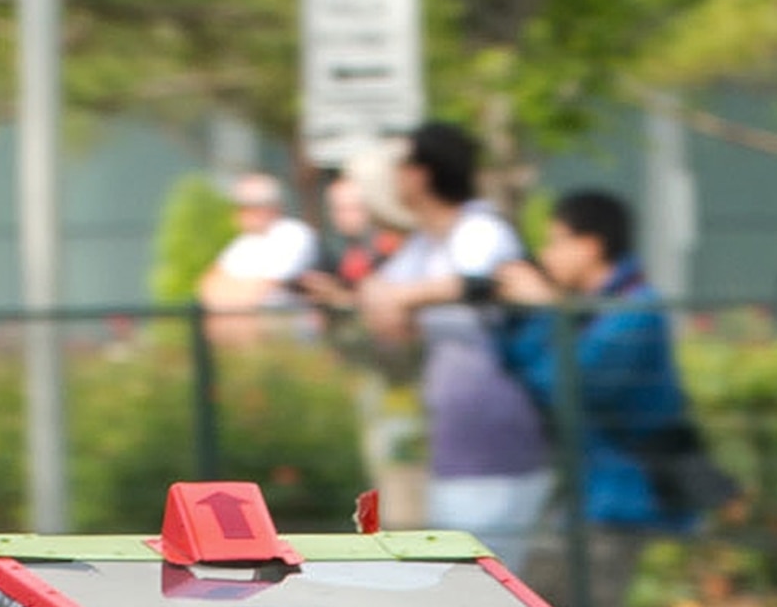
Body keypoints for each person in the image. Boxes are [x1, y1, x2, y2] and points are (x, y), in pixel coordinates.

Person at [492, 188, 706, 607]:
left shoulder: (635, 310)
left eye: (556, 242)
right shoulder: (588, 308)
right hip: (589, 490)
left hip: (624, 491)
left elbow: (570, 383)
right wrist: (516, 315)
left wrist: (547, 310)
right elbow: (528, 368)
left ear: (590, 245)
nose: (547, 257)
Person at [353, 122, 554, 565]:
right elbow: (383, 304)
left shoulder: (481, 230)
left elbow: (478, 281)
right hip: (453, 443)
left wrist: (404, 298)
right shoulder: (424, 245)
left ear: (420, 174)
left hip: (500, 439)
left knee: (488, 581)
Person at [197, 173, 322, 336]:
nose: (236, 214)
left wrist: (232, 292)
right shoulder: (242, 244)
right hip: (241, 335)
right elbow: (208, 286)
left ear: (266, 207)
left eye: (243, 207)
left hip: (286, 335)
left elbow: (262, 289)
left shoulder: (294, 234)